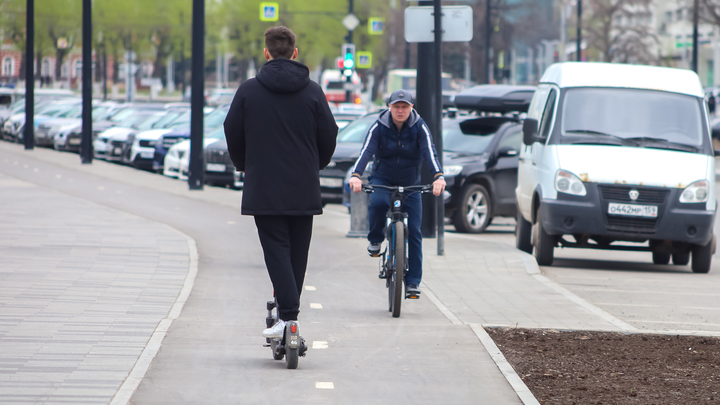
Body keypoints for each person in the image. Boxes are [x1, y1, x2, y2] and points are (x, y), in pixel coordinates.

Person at [224, 26, 338, 338]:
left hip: (264, 187)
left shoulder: (248, 90)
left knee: (276, 252)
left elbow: (231, 130)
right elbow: (330, 134)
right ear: (295, 53)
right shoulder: (313, 91)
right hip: (303, 186)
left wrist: (245, 165)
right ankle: (287, 316)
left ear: (266, 53)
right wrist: (316, 165)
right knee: (297, 255)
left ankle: (288, 317)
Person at [348, 90, 445, 298]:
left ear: (411, 108)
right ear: (389, 107)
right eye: (396, 107)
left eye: (404, 107)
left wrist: (439, 176)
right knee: (378, 203)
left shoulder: (419, 126)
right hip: (382, 178)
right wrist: (356, 175)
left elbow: (430, 151)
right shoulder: (379, 126)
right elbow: (366, 151)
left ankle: (412, 283)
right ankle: (375, 239)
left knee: (416, 233)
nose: (400, 111)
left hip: (410, 182)